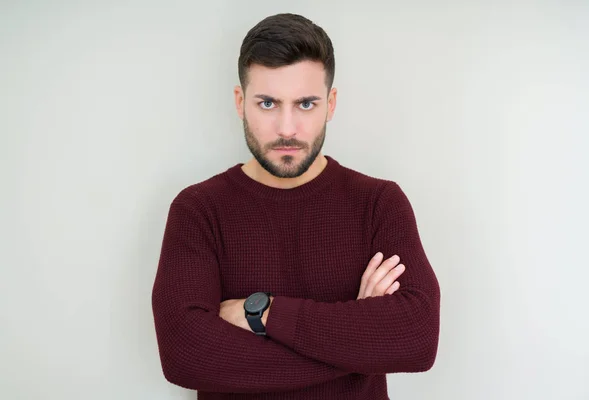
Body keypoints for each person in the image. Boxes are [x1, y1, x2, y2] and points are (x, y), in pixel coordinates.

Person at [151, 12, 440, 400]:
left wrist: (265, 313)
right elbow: (184, 355)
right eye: (268, 103)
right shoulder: (199, 210)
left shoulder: (379, 204)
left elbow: (417, 338)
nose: (287, 128)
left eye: (305, 104)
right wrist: (358, 340)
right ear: (240, 102)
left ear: (330, 104)